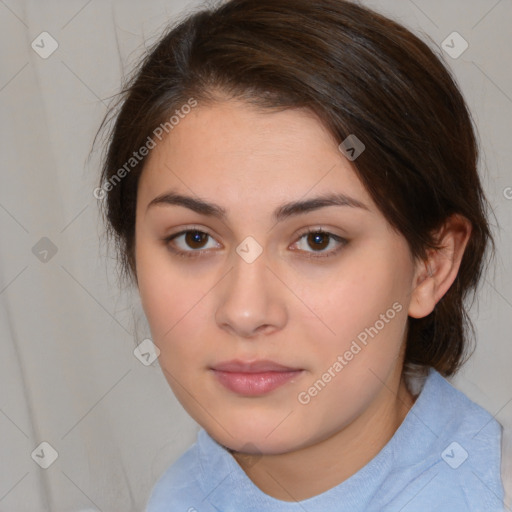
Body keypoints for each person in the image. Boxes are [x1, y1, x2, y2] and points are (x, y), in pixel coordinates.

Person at [96, 0, 508, 510]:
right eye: (195, 239)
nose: (245, 312)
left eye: (317, 240)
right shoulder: (177, 496)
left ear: (432, 265)